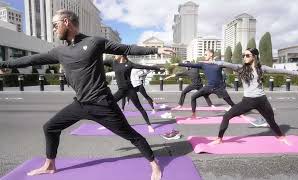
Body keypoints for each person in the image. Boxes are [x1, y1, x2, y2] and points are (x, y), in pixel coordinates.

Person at [0, 9, 174, 180]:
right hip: (80, 104)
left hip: (103, 104)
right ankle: (50, 165)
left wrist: (156, 50)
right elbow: (31, 59)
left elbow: (126, 48)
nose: (54, 29)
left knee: (131, 136)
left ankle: (154, 164)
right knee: (50, 127)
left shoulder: (94, 42)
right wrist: (6, 63)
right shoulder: (59, 51)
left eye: (55, 25)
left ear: (66, 22)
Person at [208, 48, 298, 145]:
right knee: (226, 116)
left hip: (262, 100)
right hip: (247, 101)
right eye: (243, 55)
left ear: (254, 56)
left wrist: (295, 73)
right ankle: (219, 139)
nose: (245, 57)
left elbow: (279, 71)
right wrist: (213, 62)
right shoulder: (240, 68)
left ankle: (281, 136)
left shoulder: (262, 68)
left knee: (271, 121)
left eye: (247, 55)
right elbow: (225, 63)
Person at [103, 55, 163, 132]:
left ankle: (149, 125)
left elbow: (142, 66)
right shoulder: (113, 62)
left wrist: (157, 68)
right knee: (109, 104)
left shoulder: (129, 64)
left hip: (130, 90)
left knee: (140, 108)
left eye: (116, 54)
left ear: (121, 55)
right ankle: (110, 123)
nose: (114, 56)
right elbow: (100, 61)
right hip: (121, 91)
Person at [173, 49, 235, 119]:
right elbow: (191, 64)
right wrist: (179, 64)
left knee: (230, 102)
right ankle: (194, 114)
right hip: (209, 87)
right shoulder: (203, 64)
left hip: (219, 88)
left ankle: (237, 110)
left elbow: (231, 65)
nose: (204, 56)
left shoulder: (219, 64)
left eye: (206, 54)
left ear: (211, 54)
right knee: (193, 97)